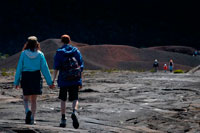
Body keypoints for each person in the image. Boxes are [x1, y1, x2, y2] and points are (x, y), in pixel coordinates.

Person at [14, 36, 53, 124]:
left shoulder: (23, 54)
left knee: (25, 99)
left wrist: (16, 81)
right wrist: (50, 82)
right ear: (36, 44)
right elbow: (45, 69)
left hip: (26, 76)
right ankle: (32, 119)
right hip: (36, 76)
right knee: (34, 100)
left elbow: (19, 68)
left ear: (27, 44)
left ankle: (27, 111)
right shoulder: (40, 54)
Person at [53, 34, 84, 129]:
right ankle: (74, 112)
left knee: (63, 99)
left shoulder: (59, 52)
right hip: (75, 79)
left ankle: (63, 119)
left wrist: (53, 80)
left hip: (63, 79)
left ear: (61, 41)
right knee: (75, 98)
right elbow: (81, 65)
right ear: (70, 41)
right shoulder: (76, 51)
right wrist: (80, 80)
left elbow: (56, 67)